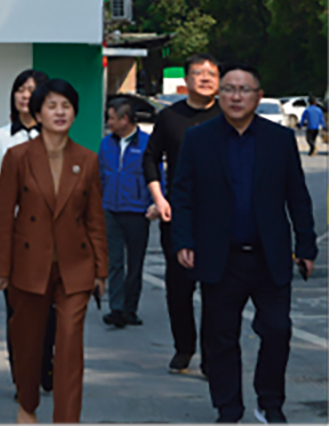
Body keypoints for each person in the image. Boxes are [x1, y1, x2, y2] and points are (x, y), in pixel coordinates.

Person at [171, 63, 317, 426]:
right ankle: (228, 409)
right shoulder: (199, 139)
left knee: (277, 331)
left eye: (244, 90)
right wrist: (184, 240)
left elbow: (297, 196)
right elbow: (183, 194)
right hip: (221, 257)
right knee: (220, 338)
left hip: (270, 257)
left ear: (258, 96)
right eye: (229, 89)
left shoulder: (279, 140)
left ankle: (270, 403)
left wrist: (306, 246)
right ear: (219, 95)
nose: (236, 96)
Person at [0, 79, 107, 425]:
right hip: (29, 265)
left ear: (75, 113)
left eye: (66, 106)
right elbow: (4, 213)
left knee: (69, 347)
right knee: (27, 344)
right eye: (52, 106)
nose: (60, 112)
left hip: (76, 267)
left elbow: (95, 219)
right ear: (38, 113)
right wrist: (2, 265)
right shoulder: (18, 157)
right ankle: (27, 404)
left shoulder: (87, 160)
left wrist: (101, 269)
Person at [0, 69, 56, 392]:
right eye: (20, 89)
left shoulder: (56, 134)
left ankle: (45, 363)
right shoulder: (1, 137)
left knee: (50, 311)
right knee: (18, 312)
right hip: (14, 239)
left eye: (32, 89)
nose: (25, 95)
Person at [143, 53, 221, 375]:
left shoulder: (228, 115)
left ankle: (212, 356)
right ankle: (184, 347)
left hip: (220, 218)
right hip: (178, 215)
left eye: (211, 73)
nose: (205, 78)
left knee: (217, 289)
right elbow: (150, 158)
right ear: (186, 80)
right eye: (198, 73)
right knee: (179, 287)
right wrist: (159, 199)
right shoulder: (170, 117)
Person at [98, 98, 154, 328]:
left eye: (112, 118)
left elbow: (155, 176)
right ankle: (116, 309)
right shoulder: (106, 144)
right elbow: (100, 175)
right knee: (114, 261)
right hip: (111, 209)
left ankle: (131, 309)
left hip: (138, 211)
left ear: (125, 119)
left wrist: (155, 203)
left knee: (135, 263)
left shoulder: (147, 143)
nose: (108, 122)